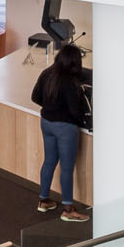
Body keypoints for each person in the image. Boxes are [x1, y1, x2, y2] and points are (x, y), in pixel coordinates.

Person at [31, 38, 92, 223]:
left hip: (46, 123)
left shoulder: (47, 73)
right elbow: (76, 111)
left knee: (49, 161)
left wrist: (51, 109)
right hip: (65, 128)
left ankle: (43, 201)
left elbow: (35, 97)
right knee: (66, 168)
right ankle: (68, 210)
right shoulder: (71, 84)